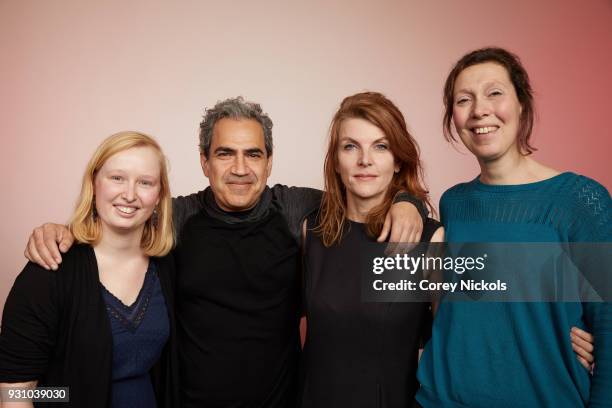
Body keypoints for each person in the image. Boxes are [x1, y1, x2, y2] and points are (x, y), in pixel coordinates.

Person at [19, 97, 427, 407]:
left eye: (253, 154)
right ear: (204, 162)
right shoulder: (176, 219)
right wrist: (62, 231)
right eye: (224, 153)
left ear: (269, 163)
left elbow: (361, 195)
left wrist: (407, 199)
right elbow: (119, 217)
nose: (239, 168)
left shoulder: (298, 211)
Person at [415, 47, 612, 407]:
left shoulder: (580, 200)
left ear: (522, 104)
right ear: (453, 117)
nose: (479, 110)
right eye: (463, 100)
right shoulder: (454, 203)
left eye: (494, 93)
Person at [0, 131, 177, 407]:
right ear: (94, 183)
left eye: (145, 182)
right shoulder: (50, 269)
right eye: (117, 178)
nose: (129, 194)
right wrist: (65, 396)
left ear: (159, 196)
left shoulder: (167, 267)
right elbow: (14, 393)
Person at [299, 91, 443, 408]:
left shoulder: (431, 240)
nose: (365, 160)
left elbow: (457, 343)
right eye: (351, 146)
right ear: (336, 161)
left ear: (397, 161)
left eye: (381, 146)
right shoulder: (311, 230)